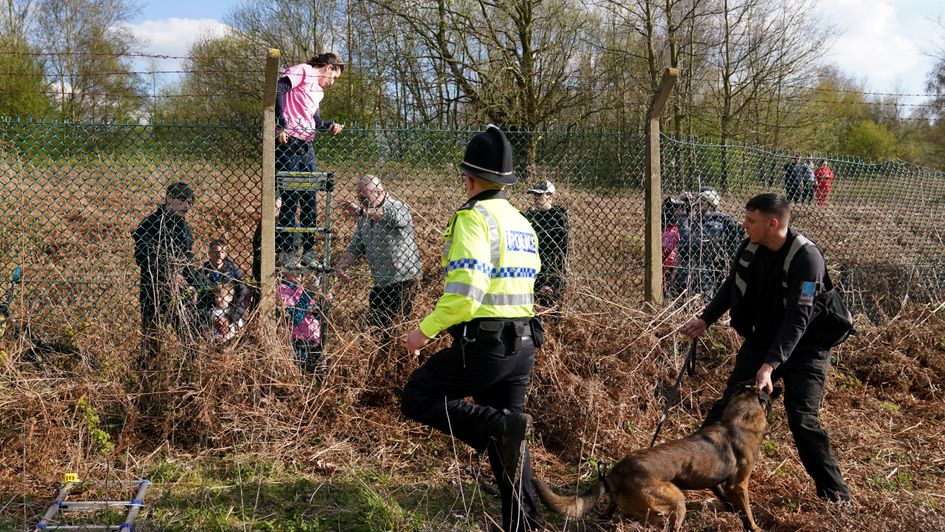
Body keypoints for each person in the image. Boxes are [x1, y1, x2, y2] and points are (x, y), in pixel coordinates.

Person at [402, 125, 543, 531]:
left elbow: (467, 291)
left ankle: (492, 426)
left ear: (468, 178)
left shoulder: (473, 219)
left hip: (485, 345)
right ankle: (524, 525)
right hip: (522, 345)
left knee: (417, 396)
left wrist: (423, 331)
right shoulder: (519, 222)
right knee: (510, 439)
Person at [680, 193, 851, 503]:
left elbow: (799, 318)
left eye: (751, 220)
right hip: (765, 339)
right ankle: (693, 472)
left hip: (807, 348)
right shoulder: (750, 248)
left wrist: (770, 365)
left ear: (772, 224)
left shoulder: (807, 259)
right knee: (727, 406)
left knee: (802, 418)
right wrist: (705, 319)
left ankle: (836, 495)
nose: (744, 225)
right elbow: (732, 285)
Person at [275, 52, 345, 269]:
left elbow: (315, 121)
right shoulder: (303, 71)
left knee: (309, 197)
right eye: (333, 77)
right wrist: (280, 124)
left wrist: (330, 126)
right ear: (327, 67)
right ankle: (286, 251)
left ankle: (308, 251)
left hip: (307, 145)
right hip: (289, 142)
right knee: (289, 196)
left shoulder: (318, 91)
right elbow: (279, 88)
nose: (332, 83)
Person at [334, 175, 421, 333]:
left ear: (379, 192)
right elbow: (357, 245)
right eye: (358, 197)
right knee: (376, 330)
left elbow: (390, 216)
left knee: (397, 330)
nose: (360, 201)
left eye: (364, 197)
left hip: (403, 280)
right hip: (381, 282)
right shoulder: (364, 217)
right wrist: (343, 264)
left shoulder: (398, 207)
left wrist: (361, 211)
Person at [133, 182, 201, 350]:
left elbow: (187, 260)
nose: (187, 205)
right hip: (154, 290)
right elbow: (143, 258)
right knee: (152, 342)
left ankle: (188, 373)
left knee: (191, 340)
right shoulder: (150, 224)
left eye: (190, 202)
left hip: (180, 292)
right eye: (182, 200)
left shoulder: (184, 228)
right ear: (169, 198)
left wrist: (193, 285)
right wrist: (169, 274)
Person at [672, 187, 744, 300]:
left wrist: (682, 217)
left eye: (698, 201)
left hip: (705, 283)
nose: (694, 204)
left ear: (707, 203)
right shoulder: (697, 221)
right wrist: (681, 208)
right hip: (692, 279)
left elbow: (688, 244)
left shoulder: (715, 224)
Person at [523, 180, 569, 313]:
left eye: (539, 195)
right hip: (531, 272)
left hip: (550, 275)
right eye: (534, 195)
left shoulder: (558, 217)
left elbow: (561, 253)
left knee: (551, 313)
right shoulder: (530, 216)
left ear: (550, 196)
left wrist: (552, 282)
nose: (535, 199)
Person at [278, 271, 328, 375]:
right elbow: (294, 319)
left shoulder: (299, 288)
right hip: (298, 344)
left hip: (315, 342)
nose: (302, 273)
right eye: (297, 269)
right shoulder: (282, 288)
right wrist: (309, 291)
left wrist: (323, 304)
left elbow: (314, 317)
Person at [199, 239, 246, 319]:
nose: (220, 255)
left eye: (222, 252)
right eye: (216, 252)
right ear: (210, 254)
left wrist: (233, 317)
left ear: (225, 254)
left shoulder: (234, 271)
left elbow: (242, 292)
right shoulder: (202, 273)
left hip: (231, 311)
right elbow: (200, 300)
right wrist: (210, 317)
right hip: (210, 313)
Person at [660, 195, 688, 295]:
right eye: (679, 209)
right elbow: (664, 255)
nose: (682, 211)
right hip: (669, 271)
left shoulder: (674, 229)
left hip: (673, 269)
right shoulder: (672, 232)